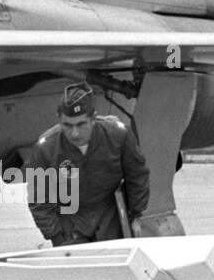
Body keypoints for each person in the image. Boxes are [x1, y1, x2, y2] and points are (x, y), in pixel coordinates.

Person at [26, 84, 151, 245]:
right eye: (67, 125)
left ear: (94, 119)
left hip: (109, 217)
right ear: (59, 120)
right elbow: (38, 200)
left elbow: (138, 175)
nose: (75, 133)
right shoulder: (45, 149)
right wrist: (56, 236)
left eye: (81, 124)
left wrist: (136, 214)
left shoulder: (118, 136)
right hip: (70, 222)